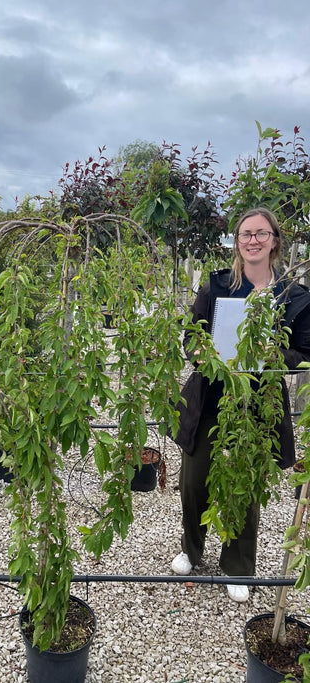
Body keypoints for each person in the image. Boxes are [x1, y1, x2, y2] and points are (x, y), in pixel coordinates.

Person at [171, 207, 310, 602]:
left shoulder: (294, 295)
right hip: (210, 398)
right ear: (236, 242)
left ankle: (237, 565)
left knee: (245, 485)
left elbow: (304, 352)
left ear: (274, 241)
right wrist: (203, 353)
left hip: (259, 402)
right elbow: (191, 336)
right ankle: (191, 550)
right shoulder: (216, 286)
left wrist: (274, 354)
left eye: (261, 233)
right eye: (246, 234)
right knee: (195, 481)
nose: (253, 240)